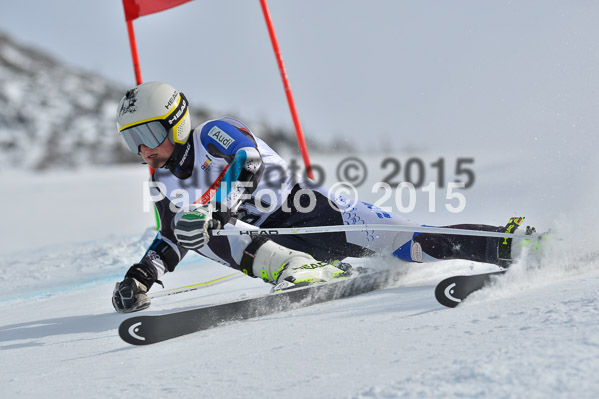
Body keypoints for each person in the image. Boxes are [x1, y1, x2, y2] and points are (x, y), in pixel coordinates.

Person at [111, 81, 530, 313]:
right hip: (269, 245)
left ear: (177, 123)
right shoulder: (161, 182)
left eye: (148, 134)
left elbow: (248, 161)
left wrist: (216, 208)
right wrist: (140, 277)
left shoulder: (210, 133)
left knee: (421, 244)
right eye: (133, 141)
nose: (144, 149)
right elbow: (169, 238)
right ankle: (298, 269)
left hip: (312, 211)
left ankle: (515, 244)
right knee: (188, 229)